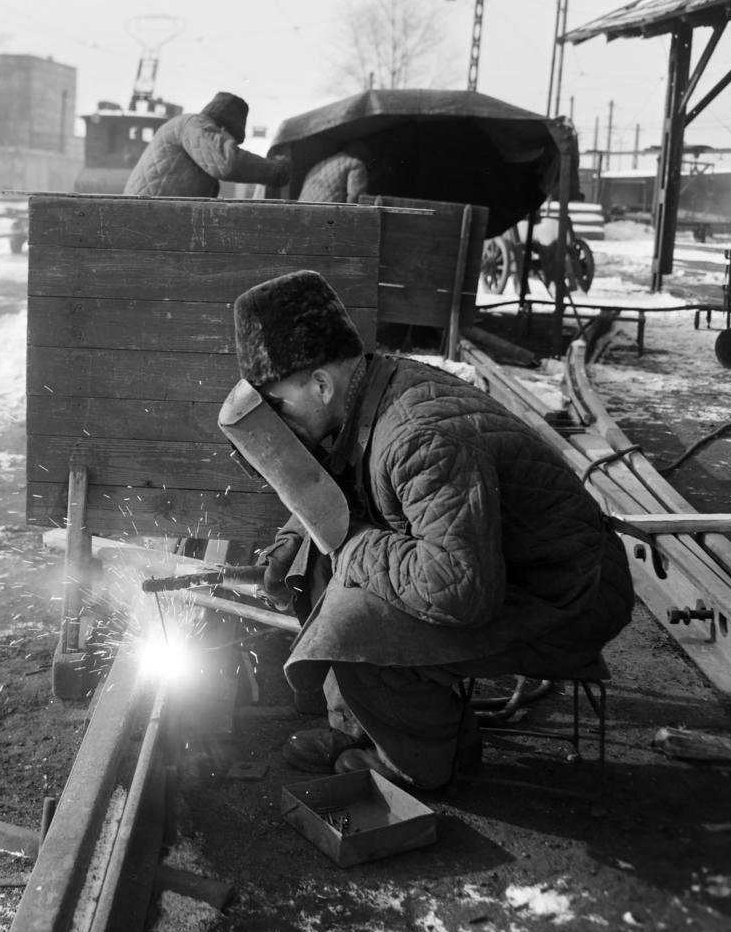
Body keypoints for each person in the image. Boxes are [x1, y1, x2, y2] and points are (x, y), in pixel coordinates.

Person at [228, 270, 634, 790]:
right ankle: (367, 727)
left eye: (277, 405)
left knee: (351, 620)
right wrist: (294, 539)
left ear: (322, 384)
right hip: (522, 570)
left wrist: (349, 546)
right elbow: (336, 487)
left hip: (567, 596)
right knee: (323, 559)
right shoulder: (372, 391)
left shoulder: (419, 436)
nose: (276, 422)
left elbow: (461, 590)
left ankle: (413, 763)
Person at [123, 91, 290, 198]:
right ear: (222, 130)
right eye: (231, 141)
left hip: (147, 220)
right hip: (149, 223)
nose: (230, 146)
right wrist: (277, 170)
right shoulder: (194, 124)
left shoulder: (187, 128)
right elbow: (227, 162)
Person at [295, 143, 370, 205]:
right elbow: (355, 198)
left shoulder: (319, 165)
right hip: (326, 214)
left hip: (302, 213)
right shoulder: (355, 164)